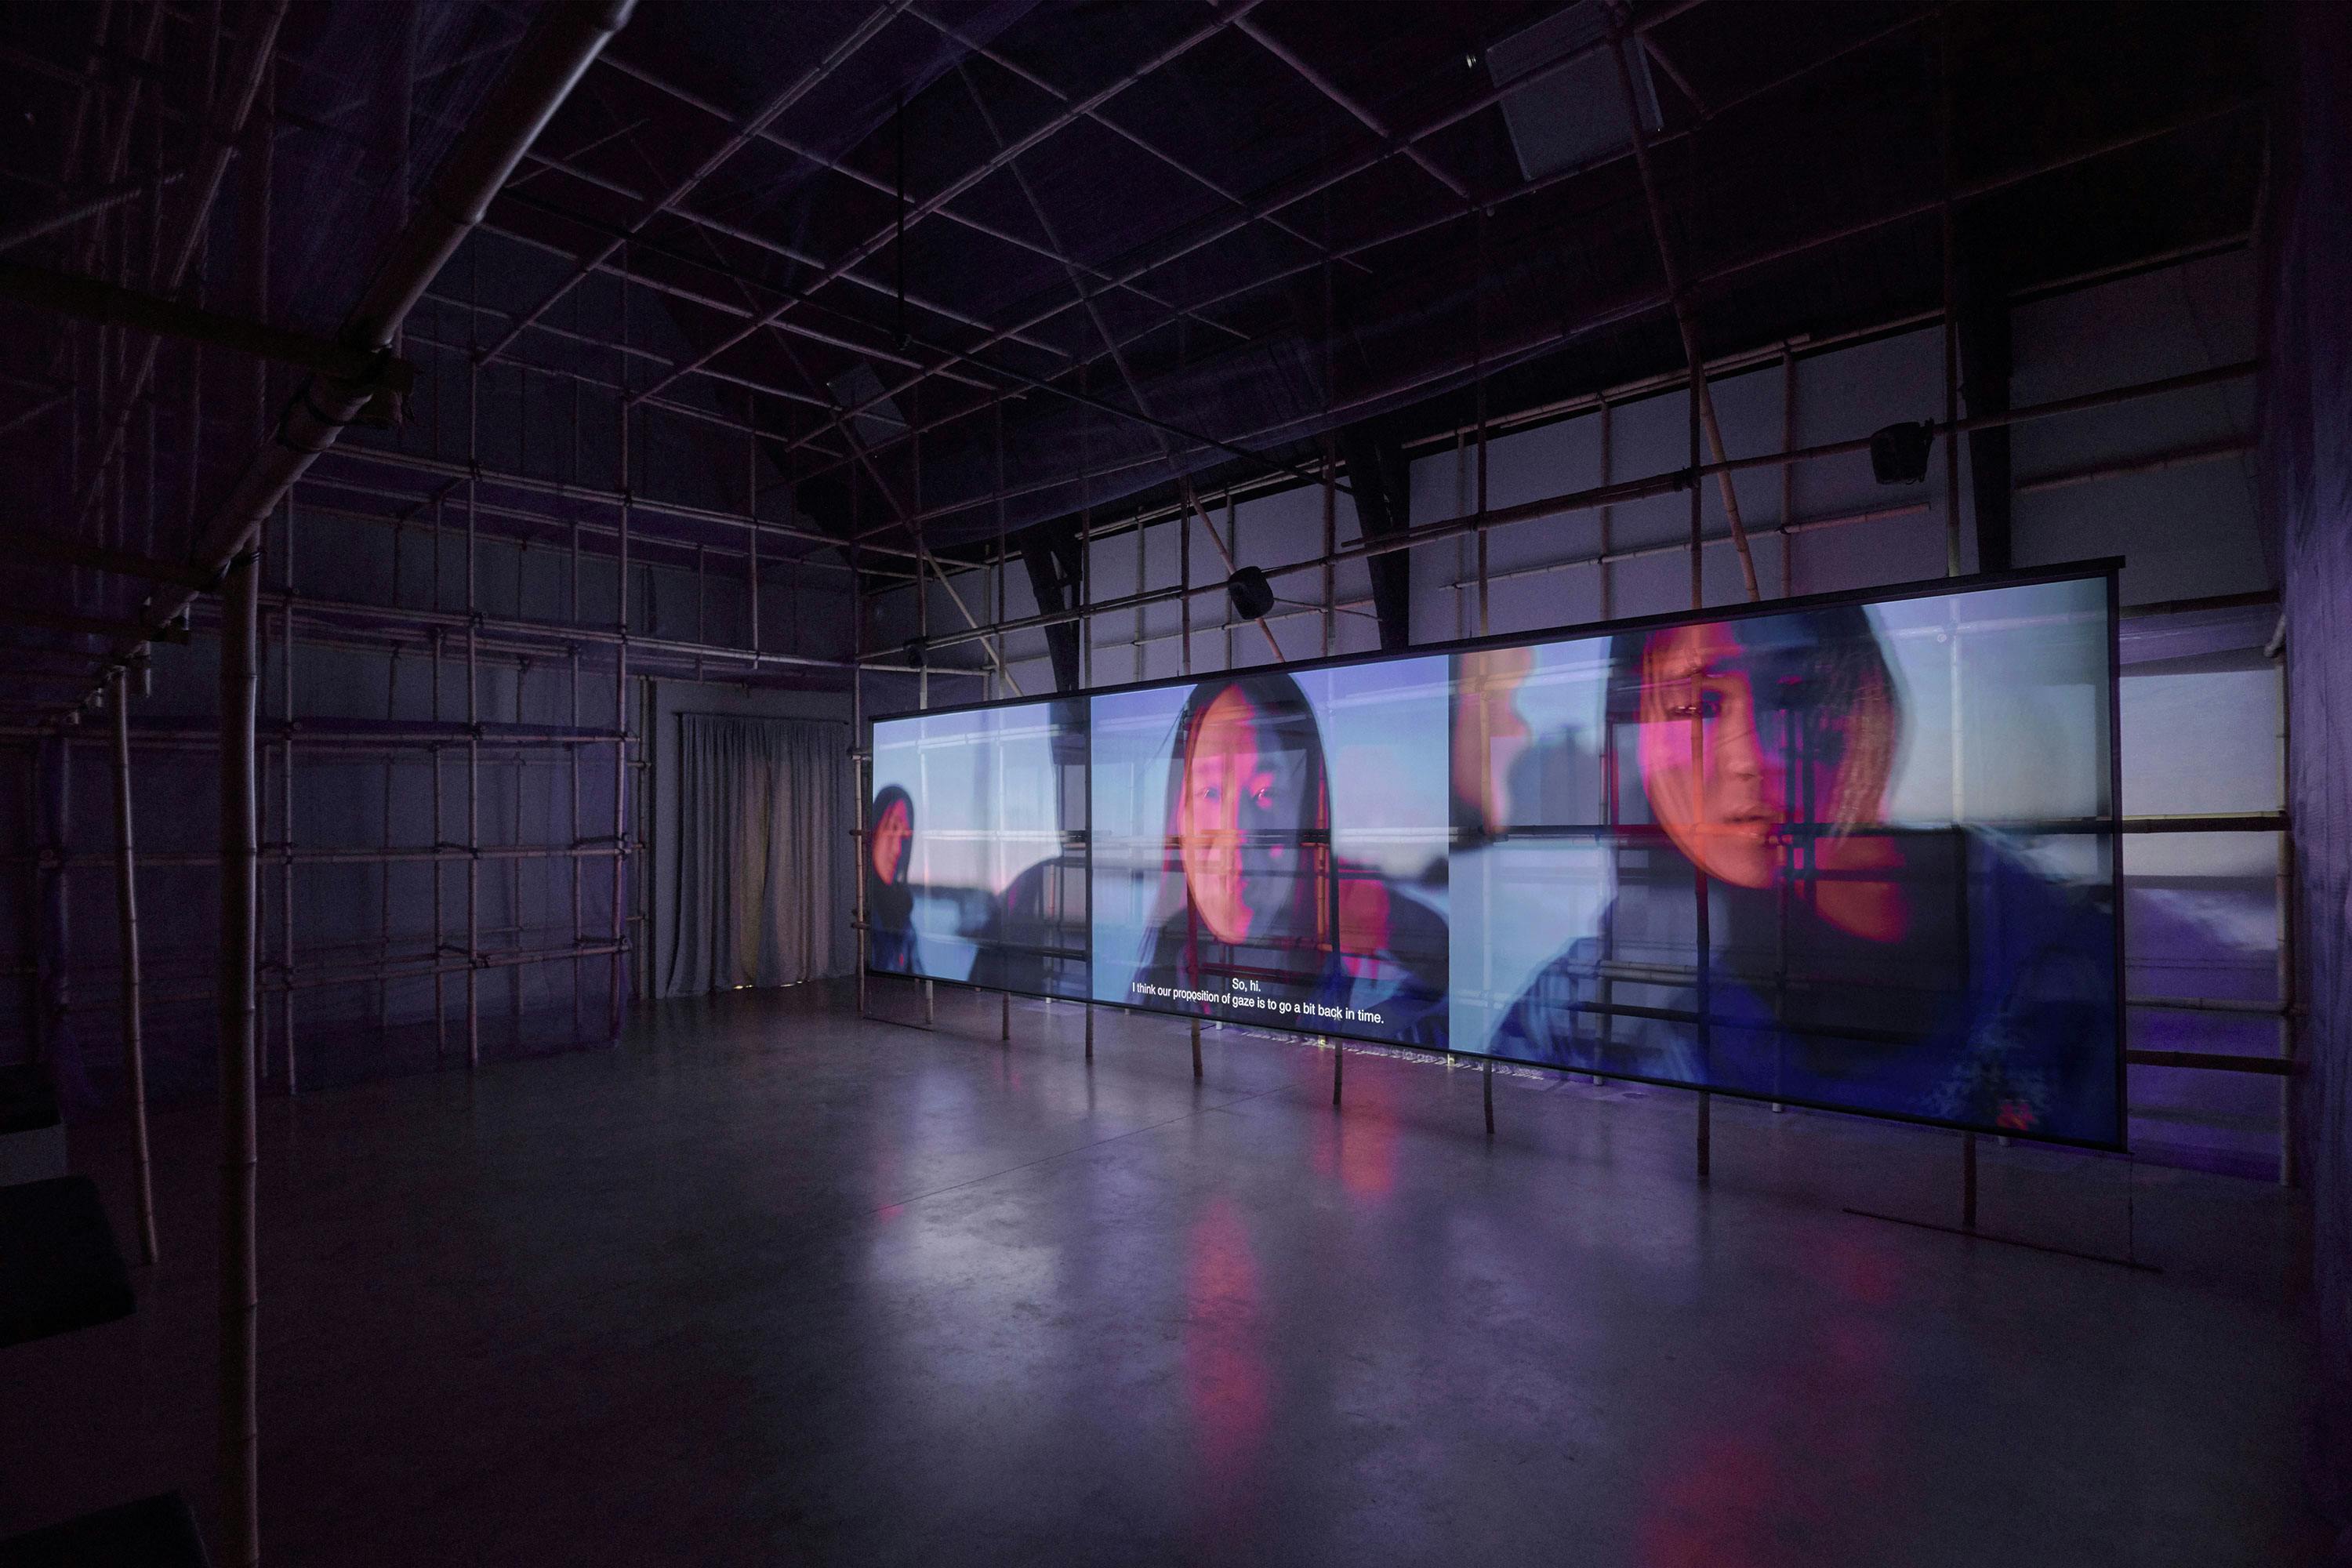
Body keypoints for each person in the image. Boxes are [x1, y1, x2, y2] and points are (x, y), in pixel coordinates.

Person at [1483, 606, 2115, 1142]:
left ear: (1876, 704)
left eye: (1799, 693)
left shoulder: (2076, 960)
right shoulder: (1580, 1017)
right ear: (1633, 737)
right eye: (1696, 706)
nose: (1754, 756)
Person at [1130, 671, 1448, 1047]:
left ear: (1309, 814)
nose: (1237, 834)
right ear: (1178, 818)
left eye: (1266, 792)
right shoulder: (1152, 988)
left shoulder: (1404, 1012)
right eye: (1209, 792)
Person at [866, 783, 920, 975]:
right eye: (892, 828)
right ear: (874, 828)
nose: (898, 850)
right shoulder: (857, 902)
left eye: (904, 836)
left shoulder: (902, 915)